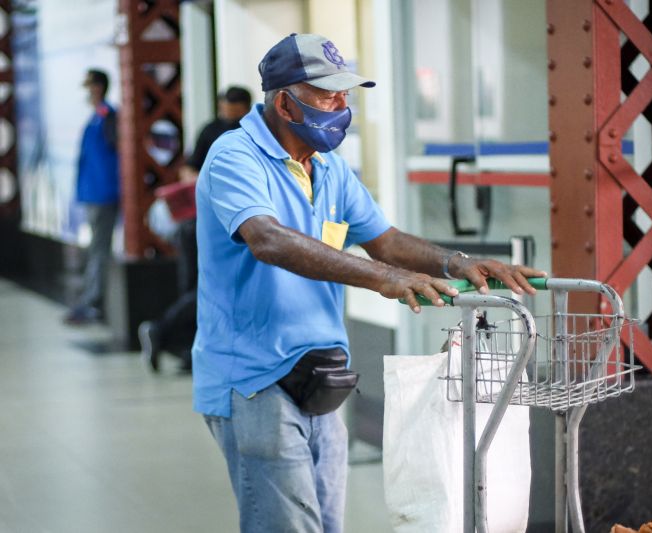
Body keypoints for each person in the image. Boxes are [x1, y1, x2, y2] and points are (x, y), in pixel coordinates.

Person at [193, 33, 545, 533]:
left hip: (320, 375)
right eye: (327, 93)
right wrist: (384, 279)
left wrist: (459, 262)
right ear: (284, 103)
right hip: (253, 378)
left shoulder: (330, 168)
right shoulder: (235, 157)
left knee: (327, 524)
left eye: (345, 93)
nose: (341, 105)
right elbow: (268, 239)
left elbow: (386, 241)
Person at [139, 86, 253, 372]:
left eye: (231, 106)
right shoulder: (218, 131)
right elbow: (189, 170)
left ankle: (185, 347)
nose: (226, 111)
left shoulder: (249, 132)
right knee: (202, 287)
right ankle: (168, 336)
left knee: (203, 288)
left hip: (215, 224)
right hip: (211, 224)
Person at [63, 69, 119, 325]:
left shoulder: (107, 117)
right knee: (96, 247)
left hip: (103, 192)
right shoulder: (98, 117)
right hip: (94, 192)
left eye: (89, 86)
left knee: (98, 249)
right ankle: (90, 298)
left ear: (98, 87)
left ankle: (93, 301)